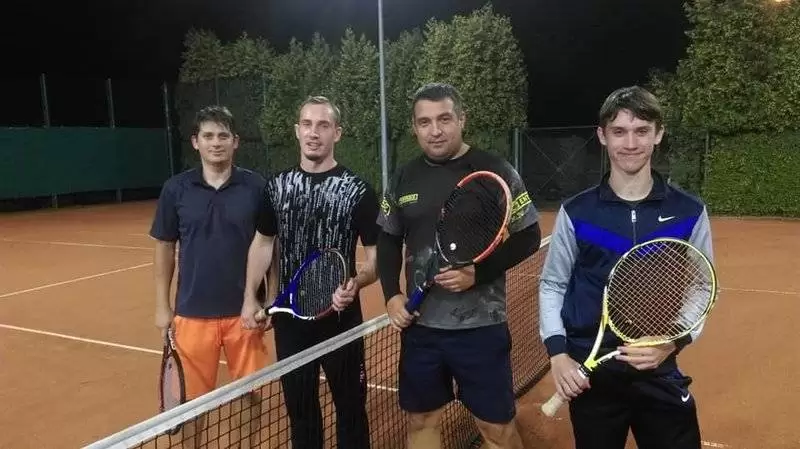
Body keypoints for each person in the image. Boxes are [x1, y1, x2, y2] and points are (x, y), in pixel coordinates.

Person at [538, 85, 714, 449]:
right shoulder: (577, 212)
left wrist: (673, 341)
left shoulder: (689, 211)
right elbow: (553, 284)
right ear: (603, 136)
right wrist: (557, 353)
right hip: (593, 371)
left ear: (658, 134)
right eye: (619, 131)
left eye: (641, 131)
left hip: (658, 366)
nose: (630, 143)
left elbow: (703, 286)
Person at [376, 82, 542, 449]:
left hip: (480, 329)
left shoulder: (494, 170)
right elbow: (388, 239)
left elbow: (530, 235)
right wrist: (391, 295)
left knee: (496, 428)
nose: (435, 130)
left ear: (462, 119)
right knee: (421, 420)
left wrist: (477, 274)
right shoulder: (403, 177)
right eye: (424, 122)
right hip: (421, 329)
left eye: (444, 119)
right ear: (414, 127)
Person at [242, 96, 380, 449]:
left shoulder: (359, 191)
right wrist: (250, 298)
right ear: (297, 131)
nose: (313, 133)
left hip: (341, 321)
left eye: (323, 125)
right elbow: (262, 243)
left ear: (337, 133)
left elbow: (376, 260)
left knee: (351, 410)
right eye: (307, 124)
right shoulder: (276, 187)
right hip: (290, 323)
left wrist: (355, 282)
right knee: (300, 414)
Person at [150, 105, 267, 447]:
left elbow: (270, 245)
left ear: (235, 142)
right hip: (191, 314)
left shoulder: (257, 187)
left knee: (249, 396)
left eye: (223, 136)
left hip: (245, 314)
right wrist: (162, 306)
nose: (216, 143)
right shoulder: (176, 189)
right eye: (208, 136)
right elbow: (164, 247)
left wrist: (270, 296)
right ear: (195, 142)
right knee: (192, 405)